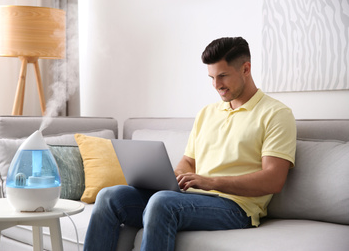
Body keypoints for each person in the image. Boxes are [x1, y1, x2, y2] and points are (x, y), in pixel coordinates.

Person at [83, 37, 296, 251]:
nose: (216, 85)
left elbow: (273, 180)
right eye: (211, 77)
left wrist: (210, 182)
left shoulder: (276, 114)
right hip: (192, 199)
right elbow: (188, 160)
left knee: (162, 203)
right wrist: (177, 178)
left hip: (238, 207)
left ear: (246, 69)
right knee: (110, 197)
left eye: (222, 76)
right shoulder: (207, 113)